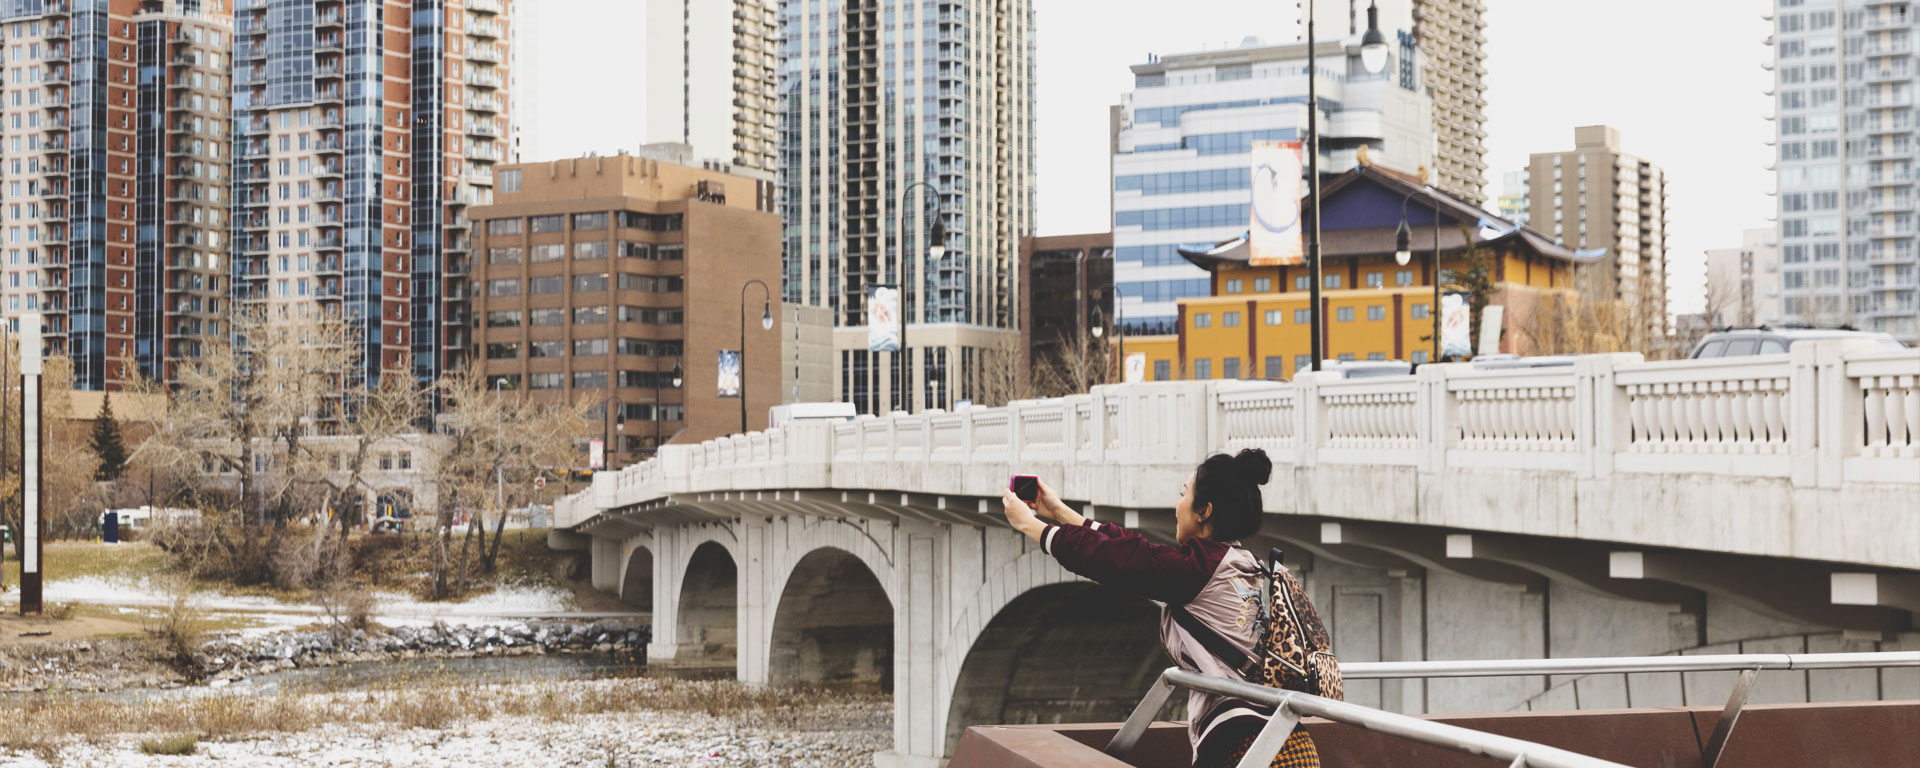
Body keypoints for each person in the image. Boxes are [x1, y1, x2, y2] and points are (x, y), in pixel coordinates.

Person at [999, 448, 1317, 768]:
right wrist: (1060, 512)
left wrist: (1033, 527)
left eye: (1183, 494)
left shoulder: (1198, 572)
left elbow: (1115, 560)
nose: (1176, 506)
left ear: (1203, 510)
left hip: (1247, 750)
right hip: (1285, 741)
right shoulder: (1242, 564)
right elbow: (1131, 552)